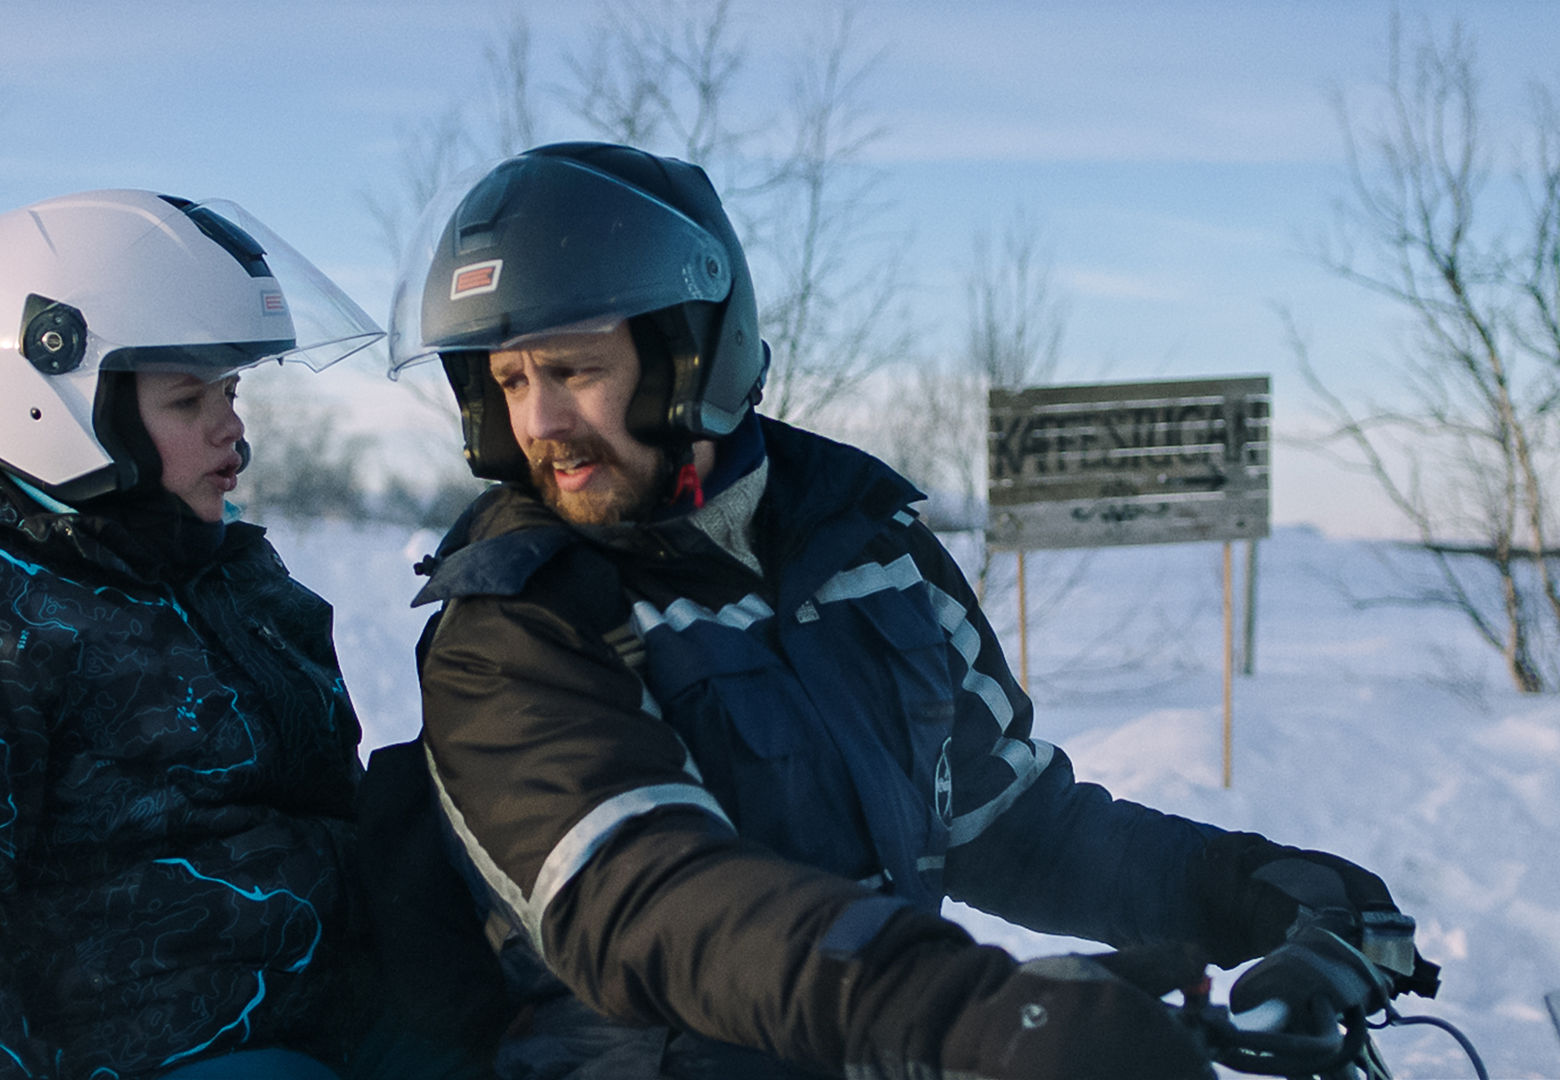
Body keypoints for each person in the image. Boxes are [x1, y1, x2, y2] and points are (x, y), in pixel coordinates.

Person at [379, 142, 1439, 1079]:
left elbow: (1013, 825)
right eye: (508, 383)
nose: (539, 422)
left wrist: (1241, 888)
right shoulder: (512, 629)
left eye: (572, 369)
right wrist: (981, 1015)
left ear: (691, 354)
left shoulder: (868, 553)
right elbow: (648, 898)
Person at [0, 189, 383, 1080]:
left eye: (230, 392)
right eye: (188, 399)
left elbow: (339, 815)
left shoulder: (238, 583)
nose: (233, 430)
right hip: (163, 1053)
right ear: (57, 404)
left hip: (354, 1018)